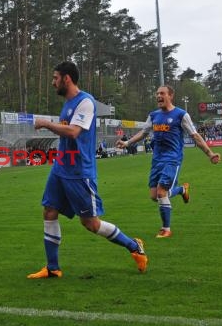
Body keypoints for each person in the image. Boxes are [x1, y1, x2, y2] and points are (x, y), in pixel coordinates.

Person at [28, 61, 147, 279]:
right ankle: (53, 268)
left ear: (67, 79)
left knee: (90, 224)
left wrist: (46, 123)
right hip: (61, 167)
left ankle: (133, 245)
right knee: (49, 211)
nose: (53, 82)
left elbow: (73, 132)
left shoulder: (85, 102)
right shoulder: (68, 103)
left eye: (55, 78)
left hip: (79, 172)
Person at [116, 85, 221, 238]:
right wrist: (127, 143)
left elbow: (195, 136)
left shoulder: (181, 115)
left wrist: (210, 154)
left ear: (171, 95)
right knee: (154, 196)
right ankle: (182, 190)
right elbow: (143, 133)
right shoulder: (153, 115)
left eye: (162, 93)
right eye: (157, 93)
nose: (158, 96)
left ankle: (166, 229)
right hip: (157, 159)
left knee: (161, 192)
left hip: (172, 159)